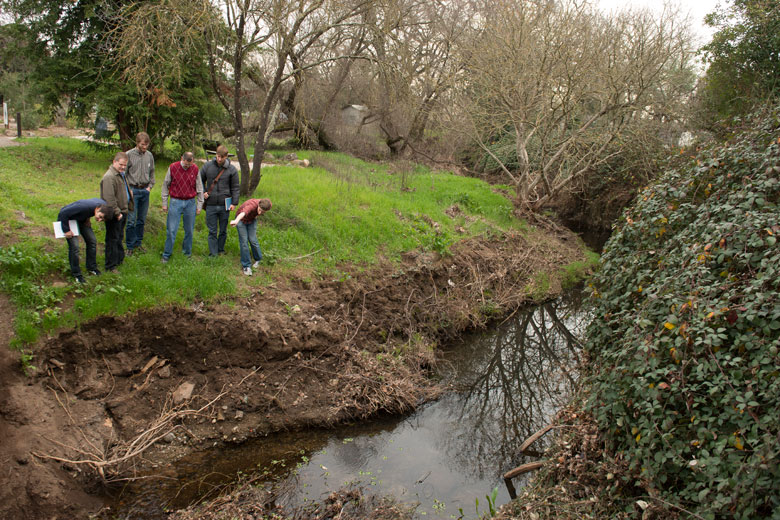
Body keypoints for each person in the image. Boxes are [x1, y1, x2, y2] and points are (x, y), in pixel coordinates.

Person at [161, 151, 203, 263]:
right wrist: (165, 203)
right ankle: (166, 255)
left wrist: (199, 205)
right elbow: (165, 186)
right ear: (182, 158)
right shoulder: (173, 167)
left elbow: (199, 188)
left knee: (189, 230)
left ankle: (187, 253)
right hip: (175, 202)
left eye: (190, 164)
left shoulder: (195, 169)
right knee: (171, 230)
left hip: (190, 203)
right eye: (186, 164)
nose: (188, 166)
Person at [57, 198, 113, 283]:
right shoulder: (84, 207)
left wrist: (87, 219)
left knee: (92, 241)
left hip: (81, 220)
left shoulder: (103, 205)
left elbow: (89, 211)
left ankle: (92, 267)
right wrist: (66, 230)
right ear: (97, 209)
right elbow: (63, 213)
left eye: (102, 220)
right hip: (67, 220)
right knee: (75, 246)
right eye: (100, 217)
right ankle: (76, 274)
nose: (99, 220)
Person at [200, 145, 239, 256]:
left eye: (222, 157)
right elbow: (199, 180)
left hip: (224, 204)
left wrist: (234, 203)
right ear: (215, 155)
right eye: (218, 156)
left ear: (226, 156)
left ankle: (220, 249)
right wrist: (203, 191)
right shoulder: (207, 166)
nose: (219, 159)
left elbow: (235, 187)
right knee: (212, 230)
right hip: (210, 204)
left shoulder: (232, 169)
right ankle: (213, 253)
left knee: (223, 230)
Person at [100, 151, 133, 272]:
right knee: (112, 239)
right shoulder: (109, 177)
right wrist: (117, 212)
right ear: (114, 162)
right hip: (115, 214)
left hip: (123, 211)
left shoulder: (121, 174)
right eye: (121, 165)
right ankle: (110, 266)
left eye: (125, 165)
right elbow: (109, 198)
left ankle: (119, 260)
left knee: (119, 237)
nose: (123, 167)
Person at [125, 132, 155, 255]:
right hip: (133, 190)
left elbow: (152, 172)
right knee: (131, 220)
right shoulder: (129, 155)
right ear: (137, 143)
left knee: (141, 219)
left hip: (145, 190)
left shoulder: (149, 156)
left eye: (147, 144)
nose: (145, 147)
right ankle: (130, 246)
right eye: (143, 144)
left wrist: (150, 186)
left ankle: (138, 243)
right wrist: (129, 190)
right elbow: (124, 174)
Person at [230, 198, 272, 276]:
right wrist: (236, 221)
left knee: (253, 240)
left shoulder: (267, 204)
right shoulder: (251, 206)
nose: (260, 213)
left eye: (263, 212)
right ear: (258, 205)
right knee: (244, 242)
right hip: (241, 220)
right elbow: (243, 213)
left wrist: (256, 214)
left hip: (251, 220)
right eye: (260, 210)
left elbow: (263, 208)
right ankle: (246, 266)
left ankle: (258, 259)